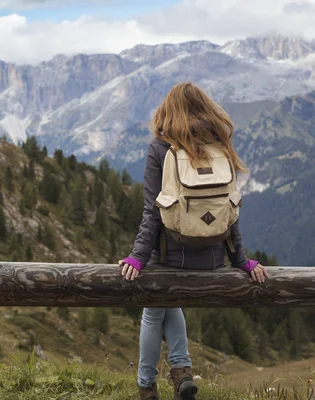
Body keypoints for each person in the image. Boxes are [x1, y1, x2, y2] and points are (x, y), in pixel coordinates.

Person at [118, 82, 269, 400]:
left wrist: (137, 257)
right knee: (170, 303)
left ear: (167, 111)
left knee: (153, 310)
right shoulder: (220, 144)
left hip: (170, 254)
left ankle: (146, 386)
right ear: (206, 108)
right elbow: (231, 208)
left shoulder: (160, 148)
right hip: (213, 257)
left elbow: (153, 210)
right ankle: (183, 372)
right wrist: (241, 260)